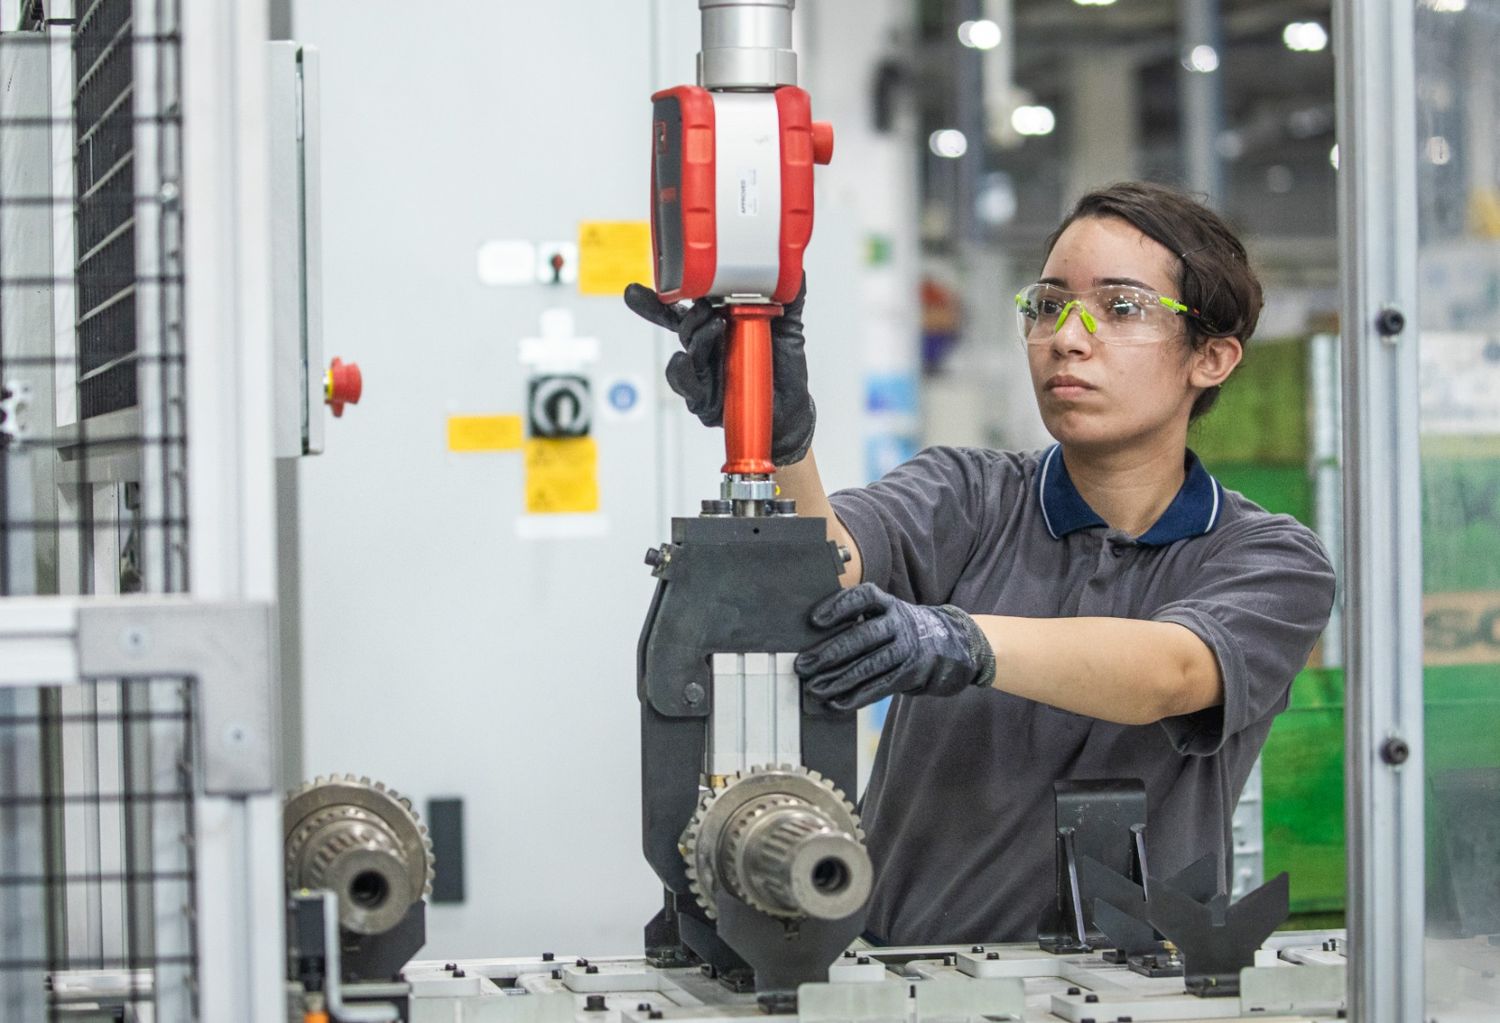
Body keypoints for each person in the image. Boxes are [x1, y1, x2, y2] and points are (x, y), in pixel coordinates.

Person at [624, 181, 1336, 946]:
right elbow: (822, 569)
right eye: (1048, 304)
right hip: (907, 979)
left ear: (1213, 356)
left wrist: (958, 641)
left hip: (1135, 993)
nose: (1068, 336)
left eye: (1120, 308)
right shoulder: (968, 494)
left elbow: (1172, 672)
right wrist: (780, 435)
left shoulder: (1269, 558)